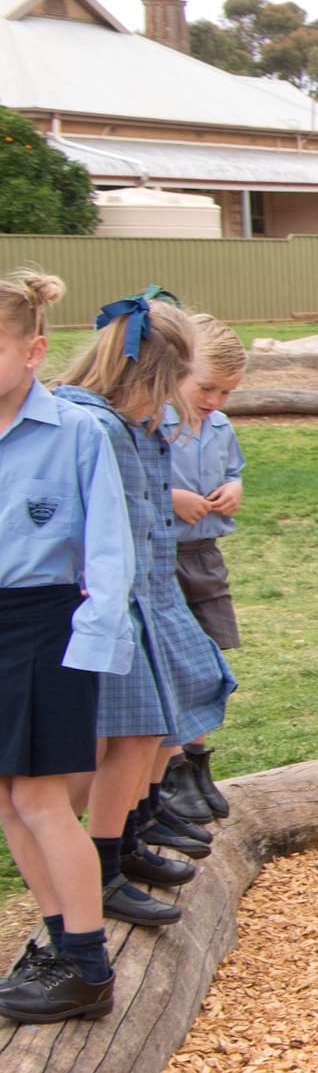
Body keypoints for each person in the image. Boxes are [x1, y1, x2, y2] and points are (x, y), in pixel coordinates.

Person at [55, 298, 236, 940]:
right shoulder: (89, 425)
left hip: (146, 595)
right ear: (151, 377)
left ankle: (121, 841)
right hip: (105, 604)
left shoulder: (130, 426)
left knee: (145, 733)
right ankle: (91, 869)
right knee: (101, 750)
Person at [0, 270, 135, 1026]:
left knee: (43, 796)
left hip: (49, 624)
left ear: (34, 351)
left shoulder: (77, 432)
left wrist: (92, 646)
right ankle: (58, 946)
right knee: (7, 798)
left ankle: (89, 966)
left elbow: (111, 549)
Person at [161, 313, 247, 822]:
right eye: (206, 387)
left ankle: (197, 762)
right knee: (171, 665)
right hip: (163, 558)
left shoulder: (218, 426)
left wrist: (233, 488)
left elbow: (233, 469)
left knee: (206, 664)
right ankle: (169, 772)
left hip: (204, 557)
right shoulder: (154, 424)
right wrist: (171, 498)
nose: (214, 400)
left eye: (226, 393)